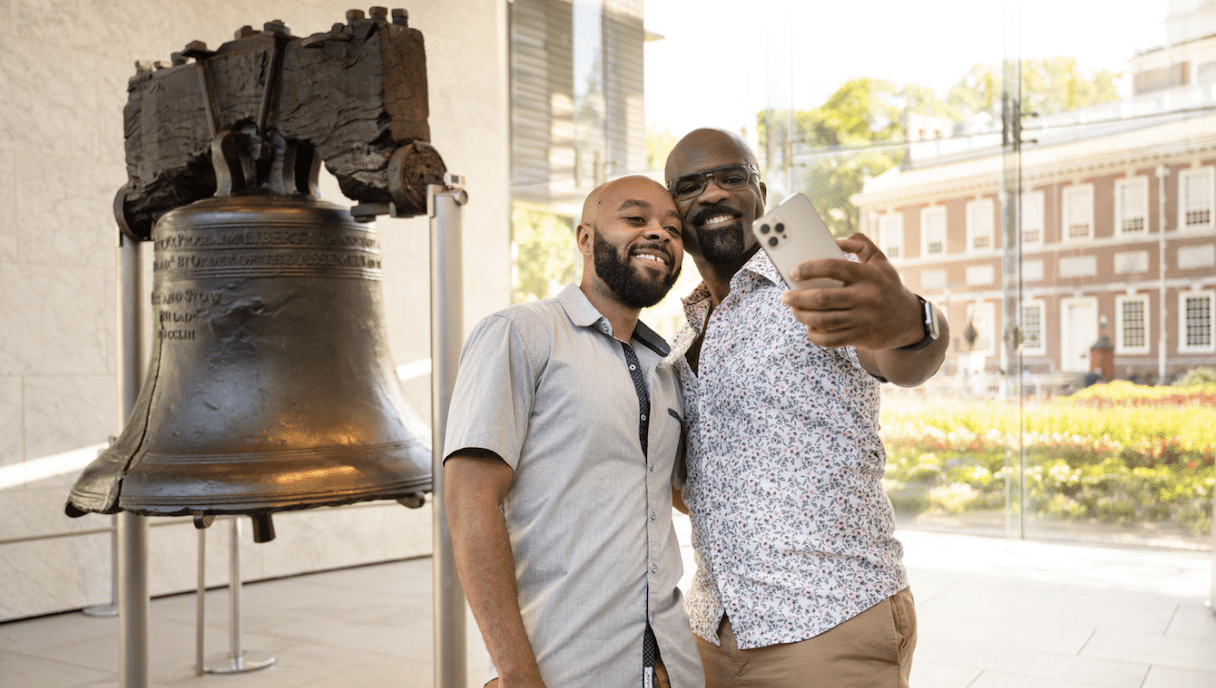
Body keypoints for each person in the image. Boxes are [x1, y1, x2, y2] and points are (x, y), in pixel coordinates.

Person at [663, 128, 950, 688]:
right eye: (690, 186)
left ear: (761, 193)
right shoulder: (686, 334)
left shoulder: (814, 284)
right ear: (675, 213)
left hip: (828, 622)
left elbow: (904, 358)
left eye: (731, 177)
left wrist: (914, 322)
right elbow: (693, 488)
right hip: (713, 629)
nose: (713, 194)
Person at [443, 175, 704, 688]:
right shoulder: (520, 334)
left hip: (673, 664)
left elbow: (679, 494)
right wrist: (516, 673)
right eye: (636, 219)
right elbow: (468, 502)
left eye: (672, 228)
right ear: (585, 238)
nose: (659, 234)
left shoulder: (668, 369)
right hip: (562, 667)